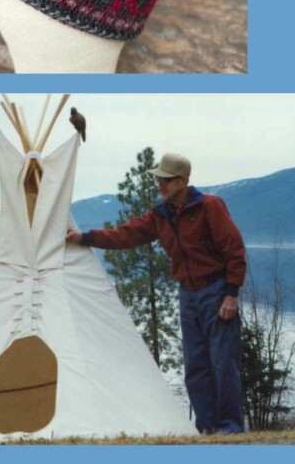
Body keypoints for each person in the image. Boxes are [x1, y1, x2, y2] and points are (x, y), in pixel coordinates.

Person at [67, 152, 246, 434]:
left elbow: (234, 249)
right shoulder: (159, 216)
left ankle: (231, 430)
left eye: (165, 180)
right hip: (188, 295)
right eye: (158, 179)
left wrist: (231, 294)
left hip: (216, 291)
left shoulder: (210, 206)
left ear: (183, 181)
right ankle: (209, 431)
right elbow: (125, 234)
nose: (159, 185)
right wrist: (86, 238)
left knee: (223, 363)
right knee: (196, 368)